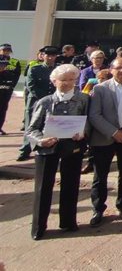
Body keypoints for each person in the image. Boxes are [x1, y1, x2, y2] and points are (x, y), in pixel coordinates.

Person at [26, 64, 89, 239]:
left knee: (70, 185)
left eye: (71, 80)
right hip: (48, 148)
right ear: (54, 81)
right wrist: (41, 140)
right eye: (63, 80)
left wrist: (82, 134)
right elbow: (32, 129)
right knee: (43, 188)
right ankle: (39, 226)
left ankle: (68, 222)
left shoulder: (83, 99)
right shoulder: (45, 102)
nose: (68, 83)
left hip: (72, 147)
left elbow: (88, 122)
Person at [88, 57, 122, 227]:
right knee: (100, 176)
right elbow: (94, 115)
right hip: (104, 138)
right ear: (111, 69)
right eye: (117, 68)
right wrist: (113, 132)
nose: (121, 71)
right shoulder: (100, 89)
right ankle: (98, 209)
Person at [18, 46, 59, 161]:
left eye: (53, 55)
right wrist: (45, 99)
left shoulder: (58, 69)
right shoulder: (35, 68)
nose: (50, 58)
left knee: (47, 126)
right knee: (30, 125)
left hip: (52, 103)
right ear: (43, 56)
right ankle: (25, 150)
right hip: (35, 102)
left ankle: (43, 148)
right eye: (47, 55)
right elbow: (31, 86)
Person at [0, 43, 21, 135]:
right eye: (4, 50)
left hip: (7, 88)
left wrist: (12, 86)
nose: (6, 52)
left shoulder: (15, 61)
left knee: (3, 108)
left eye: (8, 50)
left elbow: (17, 75)